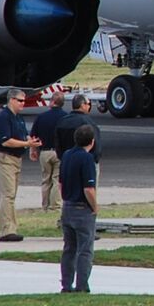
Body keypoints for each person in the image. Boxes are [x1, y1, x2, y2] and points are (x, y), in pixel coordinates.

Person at [0, 88, 39, 241]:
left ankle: (12, 227)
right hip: (5, 158)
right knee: (8, 195)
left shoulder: (18, 117)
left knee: (11, 194)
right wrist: (26, 143)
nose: (23, 104)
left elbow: (24, 135)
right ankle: (7, 230)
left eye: (24, 101)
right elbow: (6, 141)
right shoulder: (4, 117)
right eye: (20, 101)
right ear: (11, 100)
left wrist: (31, 145)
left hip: (16, 159)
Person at [57, 122, 100, 294]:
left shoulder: (67, 155)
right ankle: (82, 285)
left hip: (67, 206)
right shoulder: (87, 158)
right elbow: (88, 188)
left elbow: (60, 184)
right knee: (85, 249)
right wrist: (95, 206)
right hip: (82, 208)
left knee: (69, 249)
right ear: (92, 141)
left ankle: (66, 285)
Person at [31, 90, 68, 210]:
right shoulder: (66, 117)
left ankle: (45, 205)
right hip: (60, 152)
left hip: (45, 151)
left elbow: (34, 136)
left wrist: (34, 150)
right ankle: (55, 205)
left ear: (52, 102)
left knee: (46, 179)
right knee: (57, 179)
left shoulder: (41, 117)